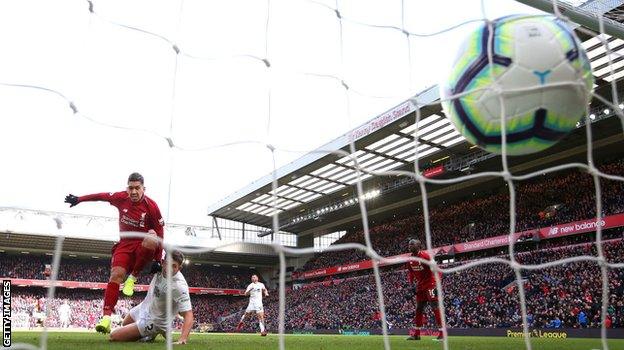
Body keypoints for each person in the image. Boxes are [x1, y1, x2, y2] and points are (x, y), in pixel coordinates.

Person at [64, 172, 165, 333]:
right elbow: (101, 196)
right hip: (124, 246)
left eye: (137, 188)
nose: (133, 192)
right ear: (127, 188)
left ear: (143, 188)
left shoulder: (151, 206)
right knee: (115, 275)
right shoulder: (120, 198)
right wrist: (79, 199)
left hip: (143, 248)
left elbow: (160, 232)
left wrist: (158, 259)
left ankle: (133, 277)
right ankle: (106, 319)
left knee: (152, 236)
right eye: (130, 188)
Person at [109, 251, 194, 344]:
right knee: (124, 324)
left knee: (114, 336)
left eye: (174, 266)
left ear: (179, 268)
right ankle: (151, 334)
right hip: (145, 306)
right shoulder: (158, 267)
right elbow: (152, 247)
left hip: (155, 320)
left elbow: (188, 314)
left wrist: (183, 339)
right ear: (163, 263)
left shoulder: (178, 286)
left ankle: (154, 331)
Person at [405, 239, 444, 341]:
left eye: (412, 244)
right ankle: (417, 335)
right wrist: (411, 284)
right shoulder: (409, 259)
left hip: (431, 284)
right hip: (420, 286)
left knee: (435, 306)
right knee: (419, 308)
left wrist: (437, 283)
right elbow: (410, 273)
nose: (409, 246)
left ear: (419, 246)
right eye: (409, 244)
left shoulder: (426, 257)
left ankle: (442, 334)